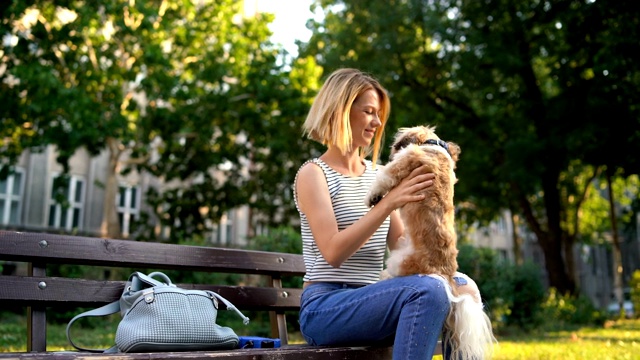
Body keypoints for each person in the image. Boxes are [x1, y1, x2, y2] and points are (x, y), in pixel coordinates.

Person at [293, 68, 482, 359]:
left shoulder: (379, 175)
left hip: (376, 300)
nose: (377, 122)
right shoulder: (314, 174)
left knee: (462, 289)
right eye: (369, 111)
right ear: (341, 111)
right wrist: (388, 203)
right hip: (325, 307)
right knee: (429, 291)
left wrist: (435, 212)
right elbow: (333, 252)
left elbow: (404, 245)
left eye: (379, 113)